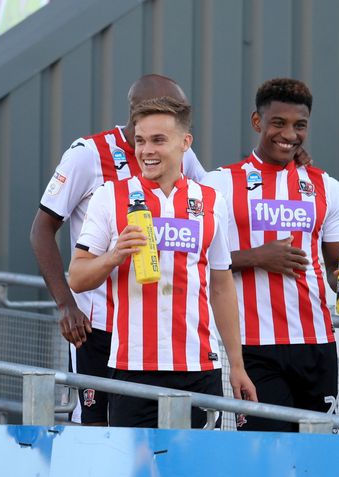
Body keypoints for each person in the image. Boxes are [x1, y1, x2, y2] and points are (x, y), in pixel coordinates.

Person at [68, 96, 257, 428]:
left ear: (185, 142)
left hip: (199, 367)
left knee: (195, 462)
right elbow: (77, 277)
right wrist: (114, 256)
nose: (146, 151)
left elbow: (221, 285)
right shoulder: (109, 196)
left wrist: (237, 365)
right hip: (132, 368)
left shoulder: (211, 200)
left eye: (158, 140)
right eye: (140, 141)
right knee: (136, 463)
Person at [30, 74, 205, 425]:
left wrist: (290, 162)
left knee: (154, 427)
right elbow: (41, 230)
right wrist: (66, 305)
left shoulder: (177, 151)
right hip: (98, 325)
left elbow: (214, 200)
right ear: (138, 111)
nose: (175, 117)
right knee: (95, 426)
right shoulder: (88, 155)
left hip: (155, 326)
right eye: (170, 108)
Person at [203, 78, 339, 432]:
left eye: (300, 125)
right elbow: (195, 262)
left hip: (316, 344)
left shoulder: (327, 187)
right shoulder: (218, 184)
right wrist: (256, 257)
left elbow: (335, 265)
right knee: (266, 451)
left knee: (316, 450)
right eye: (278, 123)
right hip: (253, 346)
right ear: (257, 122)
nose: (289, 135)